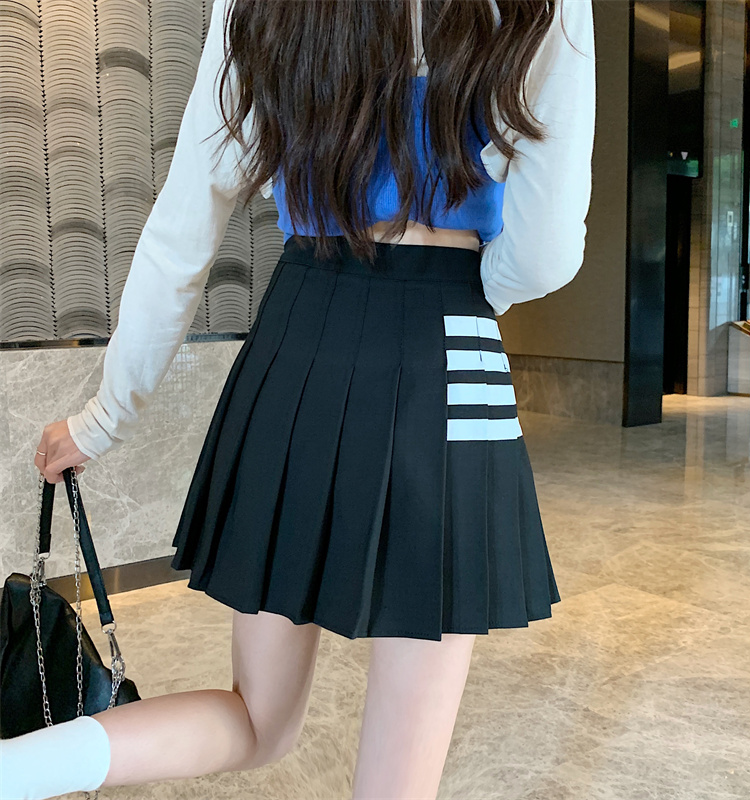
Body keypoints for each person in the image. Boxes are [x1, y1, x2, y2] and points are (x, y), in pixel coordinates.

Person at [1, 0, 594, 797]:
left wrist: (102, 419)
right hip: (445, 346)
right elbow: (545, 251)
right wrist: (470, 288)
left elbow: (184, 225)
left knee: (257, 721)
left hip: (297, 340)